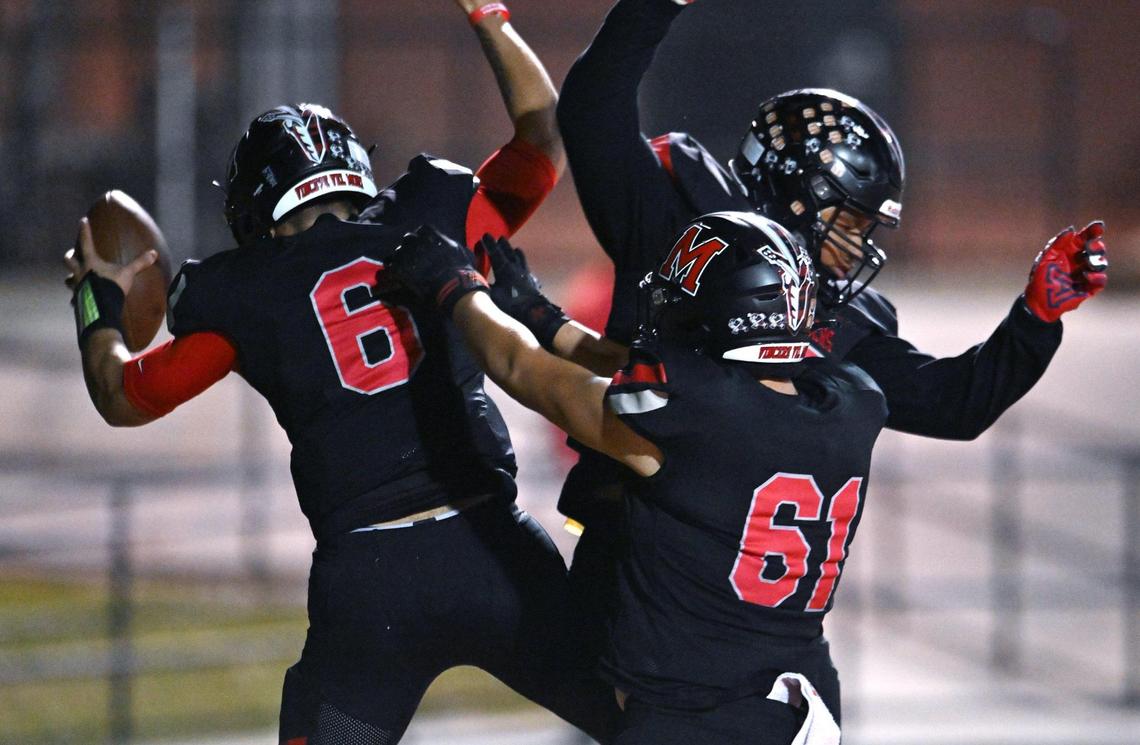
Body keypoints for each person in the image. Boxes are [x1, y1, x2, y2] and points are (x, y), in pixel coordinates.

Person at [64, 3, 618, 743]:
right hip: (494, 546)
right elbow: (541, 132)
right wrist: (488, 15)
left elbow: (126, 395)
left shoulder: (245, 288)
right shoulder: (434, 213)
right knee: (649, 716)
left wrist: (96, 297)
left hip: (371, 576)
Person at [553, 0, 1109, 684]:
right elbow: (591, 111)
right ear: (792, 194)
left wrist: (1033, 318)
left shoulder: (839, 316)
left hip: (744, 614)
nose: (856, 246)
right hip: (635, 567)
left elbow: (952, 403)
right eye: (848, 220)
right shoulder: (679, 228)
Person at [386, 211, 885, 744]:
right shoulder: (851, 402)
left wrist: (457, 287)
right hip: (799, 706)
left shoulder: (690, 420)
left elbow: (520, 369)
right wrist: (543, 317)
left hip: (698, 719)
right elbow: (664, 378)